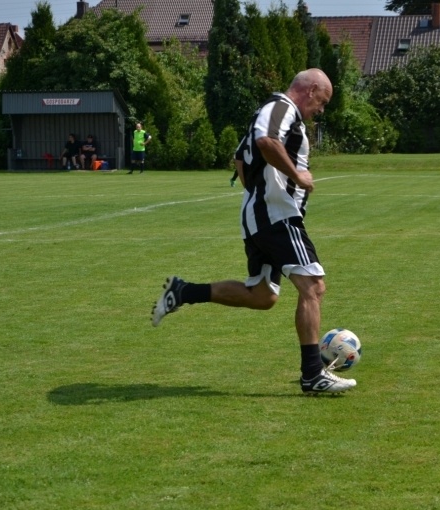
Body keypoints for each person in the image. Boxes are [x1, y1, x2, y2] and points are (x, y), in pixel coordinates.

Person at [150, 68, 355, 395]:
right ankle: (312, 374)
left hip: (261, 215)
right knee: (314, 287)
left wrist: (257, 195)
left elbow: (240, 161)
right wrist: (295, 178)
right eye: (323, 101)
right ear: (311, 89)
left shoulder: (280, 114)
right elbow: (264, 142)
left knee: (262, 296)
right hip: (276, 215)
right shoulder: (281, 107)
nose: (322, 109)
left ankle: (183, 291)